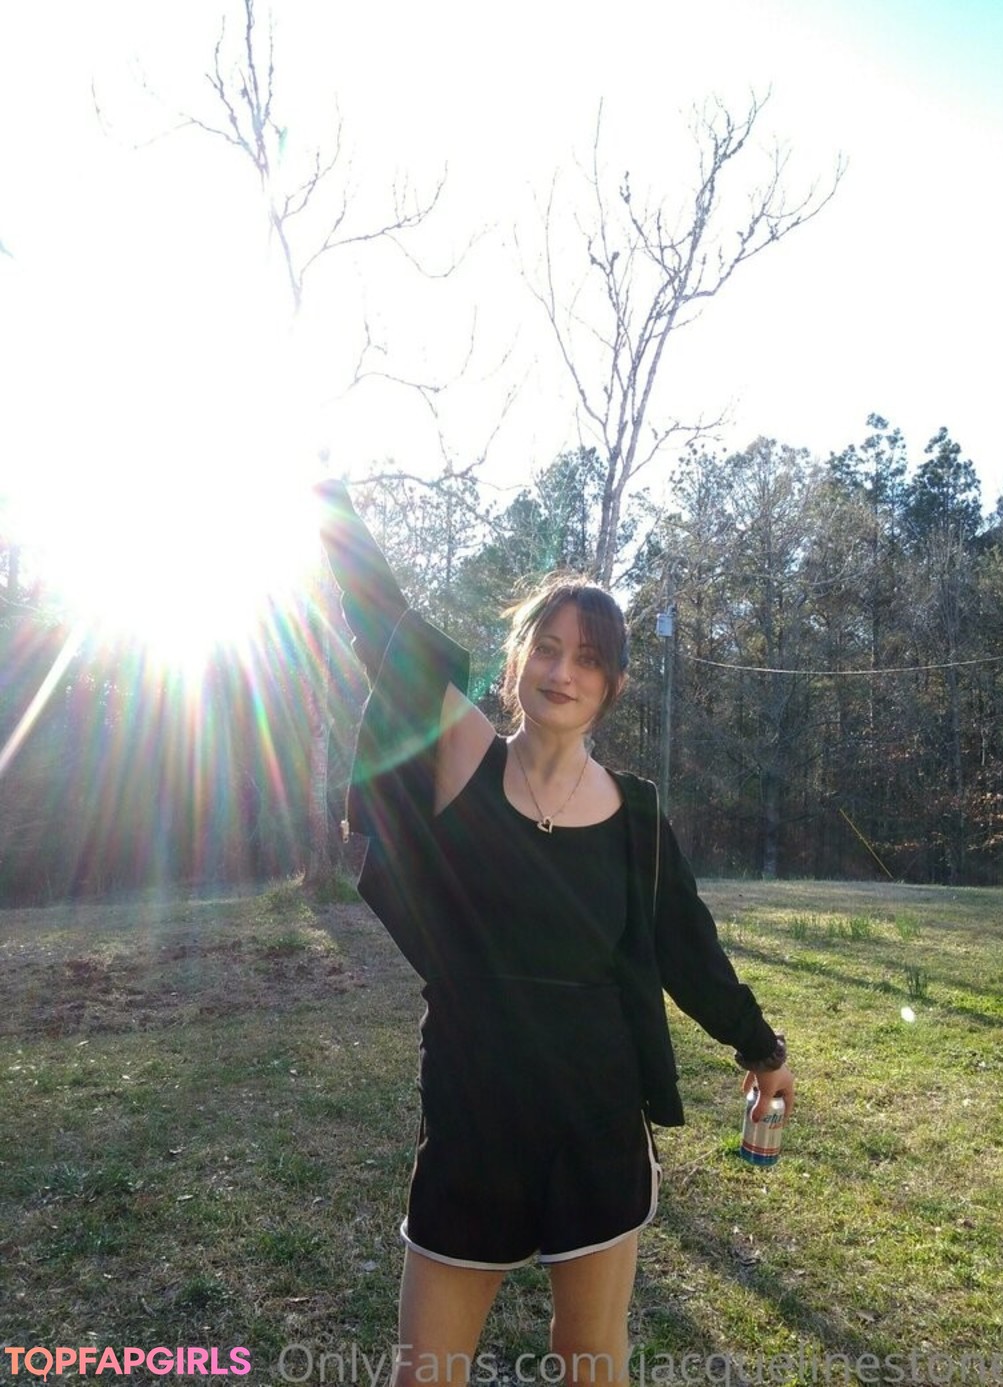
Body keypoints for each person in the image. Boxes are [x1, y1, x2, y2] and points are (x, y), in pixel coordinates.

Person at [315, 481, 794, 1387]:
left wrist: (761, 1046)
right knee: (424, 1370)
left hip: (597, 1121)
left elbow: (689, 949)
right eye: (546, 647)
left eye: (588, 657)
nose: (562, 671)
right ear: (517, 660)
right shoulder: (465, 756)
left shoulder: (637, 817)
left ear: (612, 683)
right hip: (473, 1111)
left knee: (592, 1360)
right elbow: (390, 632)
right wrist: (329, 510)